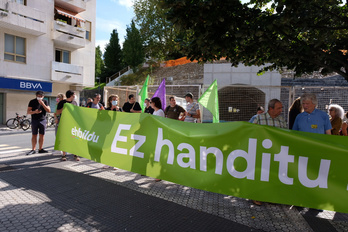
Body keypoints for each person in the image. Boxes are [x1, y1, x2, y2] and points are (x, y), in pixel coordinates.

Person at [251, 99, 286, 206]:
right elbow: (251, 133)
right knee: (259, 174)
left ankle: (270, 196)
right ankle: (256, 196)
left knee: (273, 175)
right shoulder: (259, 119)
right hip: (261, 153)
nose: (281, 110)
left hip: (276, 153)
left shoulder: (282, 121)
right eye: (278, 108)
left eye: (281, 108)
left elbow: (286, 136)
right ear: (271, 109)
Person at [55, 90, 80, 161]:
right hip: (64, 122)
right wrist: (65, 107)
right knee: (64, 138)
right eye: (74, 95)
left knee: (74, 138)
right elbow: (57, 112)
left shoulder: (75, 103)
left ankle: (75, 154)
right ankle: (64, 155)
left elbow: (77, 112)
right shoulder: (62, 102)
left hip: (73, 122)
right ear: (70, 95)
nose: (75, 96)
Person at [26, 91, 51, 155]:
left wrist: (42, 104)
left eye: (41, 96)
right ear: (36, 96)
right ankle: (33, 149)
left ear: (43, 96)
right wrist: (35, 112)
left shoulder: (45, 101)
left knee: (42, 135)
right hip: (34, 120)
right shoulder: (32, 101)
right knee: (34, 134)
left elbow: (48, 110)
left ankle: (40, 149)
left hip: (42, 120)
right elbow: (28, 112)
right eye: (38, 96)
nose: (39, 97)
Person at [150, 97, 164, 182]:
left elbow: (159, 123)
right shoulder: (155, 111)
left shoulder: (160, 112)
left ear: (154, 103)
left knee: (158, 155)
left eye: (151, 102)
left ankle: (159, 174)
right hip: (155, 134)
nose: (150, 103)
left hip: (159, 134)